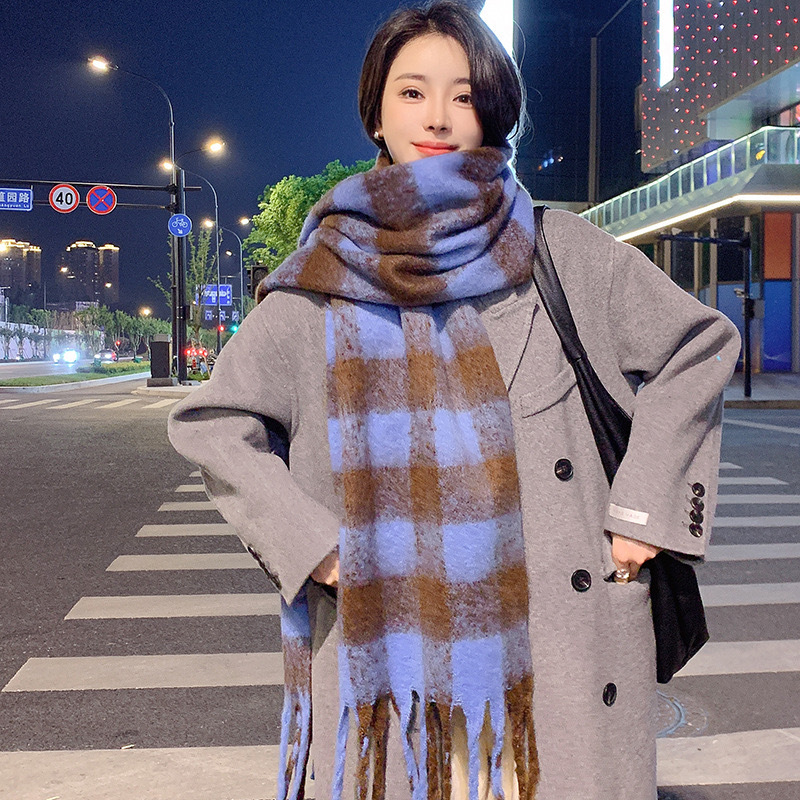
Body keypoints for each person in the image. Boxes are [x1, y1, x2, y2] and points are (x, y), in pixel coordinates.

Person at [167, 2, 741, 799]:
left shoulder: (559, 250)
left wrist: (641, 515)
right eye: (412, 92)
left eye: (463, 95)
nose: (437, 116)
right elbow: (213, 422)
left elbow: (697, 345)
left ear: (491, 111)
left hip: (556, 637)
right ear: (376, 111)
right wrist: (314, 546)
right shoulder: (322, 281)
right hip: (386, 645)